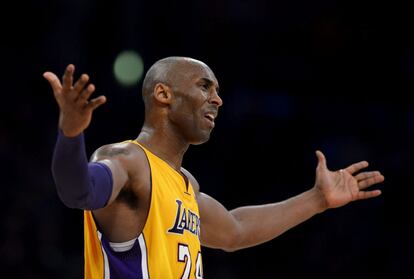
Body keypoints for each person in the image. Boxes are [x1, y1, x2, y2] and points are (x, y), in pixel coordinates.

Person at [44, 57, 384, 279]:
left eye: (218, 91)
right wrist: (71, 134)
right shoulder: (127, 161)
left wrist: (317, 200)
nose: (218, 99)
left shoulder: (184, 184)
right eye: (205, 86)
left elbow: (235, 230)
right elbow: (79, 191)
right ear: (163, 94)